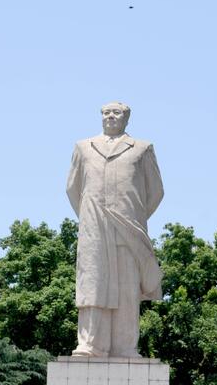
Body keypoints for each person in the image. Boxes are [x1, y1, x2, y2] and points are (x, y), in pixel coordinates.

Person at [65, 102, 165, 357]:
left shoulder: (142, 148)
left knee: (127, 288)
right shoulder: (84, 147)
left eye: (116, 112)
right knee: (92, 284)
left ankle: (125, 346)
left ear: (126, 118)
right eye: (106, 112)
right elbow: (73, 189)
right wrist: (90, 216)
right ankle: (90, 344)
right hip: (94, 228)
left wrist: (133, 215)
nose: (110, 116)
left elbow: (155, 192)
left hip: (128, 228)